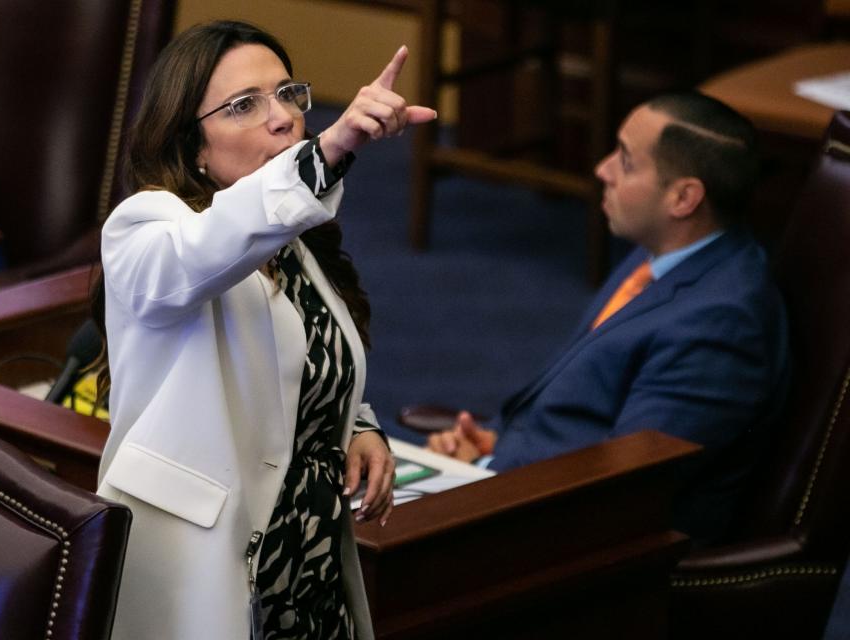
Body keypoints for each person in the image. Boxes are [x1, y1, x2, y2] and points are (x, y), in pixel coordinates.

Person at [92, 20, 436, 640]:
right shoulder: (145, 228)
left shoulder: (295, 239)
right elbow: (209, 247)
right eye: (244, 106)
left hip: (306, 574)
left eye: (287, 95)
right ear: (194, 146)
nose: (281, 118)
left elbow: (297, 359)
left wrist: (357, 425)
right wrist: (329, 152)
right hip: (198, 584)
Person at [425, 92, 790, 545]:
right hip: (521, 477)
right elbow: (588, 411)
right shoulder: (662, 254)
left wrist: (488, 474)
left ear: (683, 197)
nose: (602, 170)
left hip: (575, 551)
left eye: (626, 161)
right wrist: (493, 444)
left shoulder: (722, 324)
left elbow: (625, 484)